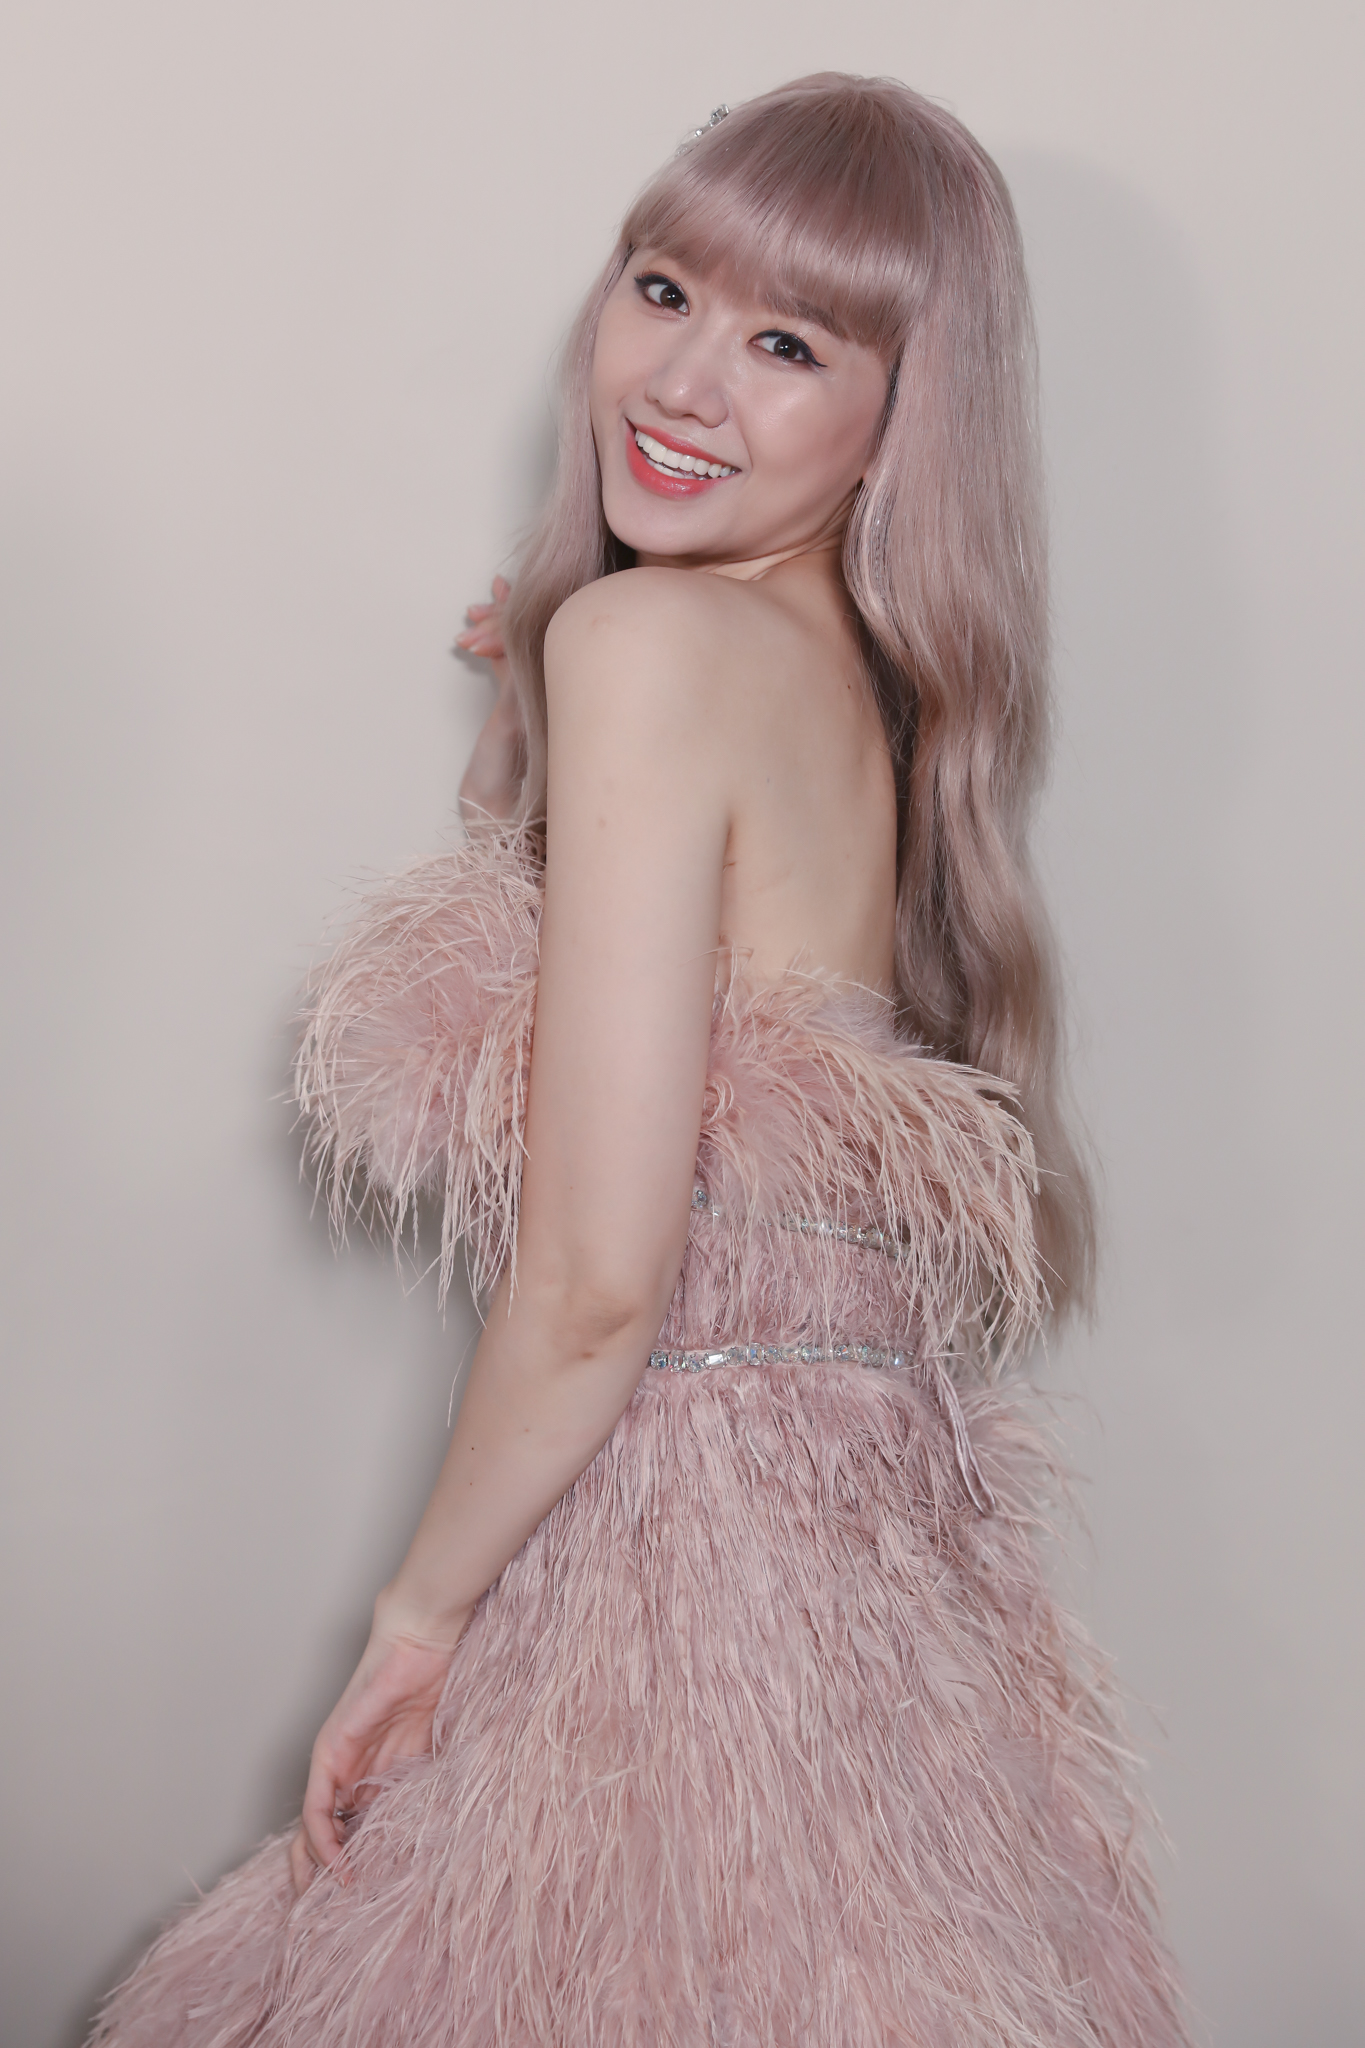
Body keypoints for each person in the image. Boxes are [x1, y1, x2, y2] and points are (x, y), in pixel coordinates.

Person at [87, 74, 1190, 2047]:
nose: (680, 383)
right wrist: (542, 679)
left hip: (677, 1554)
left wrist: (415, 1619)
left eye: (788, 344)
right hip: (862, 1567)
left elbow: (601, 1278)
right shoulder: (846, 683)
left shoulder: (659, 652)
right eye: (663, 290)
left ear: (900, 418)